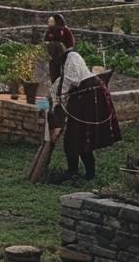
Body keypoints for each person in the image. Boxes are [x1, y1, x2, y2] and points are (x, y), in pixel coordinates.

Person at [47, 40, 121, 183]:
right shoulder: (66, 61)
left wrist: (54, 98)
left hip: (90, 96)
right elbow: (61, 82)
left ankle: (84, 172)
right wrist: (49, 97)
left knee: (80, 134)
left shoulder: (72, 57)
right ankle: (77, 171)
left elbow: (70, 80)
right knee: (77, 136)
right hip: (83, 96)